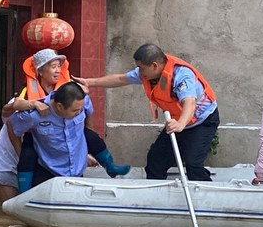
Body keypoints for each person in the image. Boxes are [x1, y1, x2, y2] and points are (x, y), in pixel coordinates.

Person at [75, 43, 219, 181]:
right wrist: (89, 82)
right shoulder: (147, 73)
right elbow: (120, 79)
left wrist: (180, 124)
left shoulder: (181, 75)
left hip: (202, 121)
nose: (139, 72)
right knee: (155, 161)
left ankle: (205, 192)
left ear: (154, 66)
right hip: (177, 121)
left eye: (141, 68)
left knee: (193, 163)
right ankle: (157, 196)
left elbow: (189, 102)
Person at [12, 48, 129, 193]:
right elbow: (13, 112)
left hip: (73, 137)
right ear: (40, 71)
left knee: (90, 135)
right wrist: (33, 104)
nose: (57, 71)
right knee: (27, 154)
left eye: (58, 67)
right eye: (53, 67)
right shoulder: (30, 95)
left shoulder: (73, 90)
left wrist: (85, 150)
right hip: (42, 137)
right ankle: (24, 194)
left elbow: (87, 112)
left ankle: (110, 166)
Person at [9, 81, 94, 188]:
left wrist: (86, 152)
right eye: (74, 111)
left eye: (80, 110)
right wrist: (19, 153)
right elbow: (12, 125)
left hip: (76, 173)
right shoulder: (37, 115)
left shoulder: (82, 101)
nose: (78, 113)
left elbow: (89, 113)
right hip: (49, 173)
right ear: (59, 106)